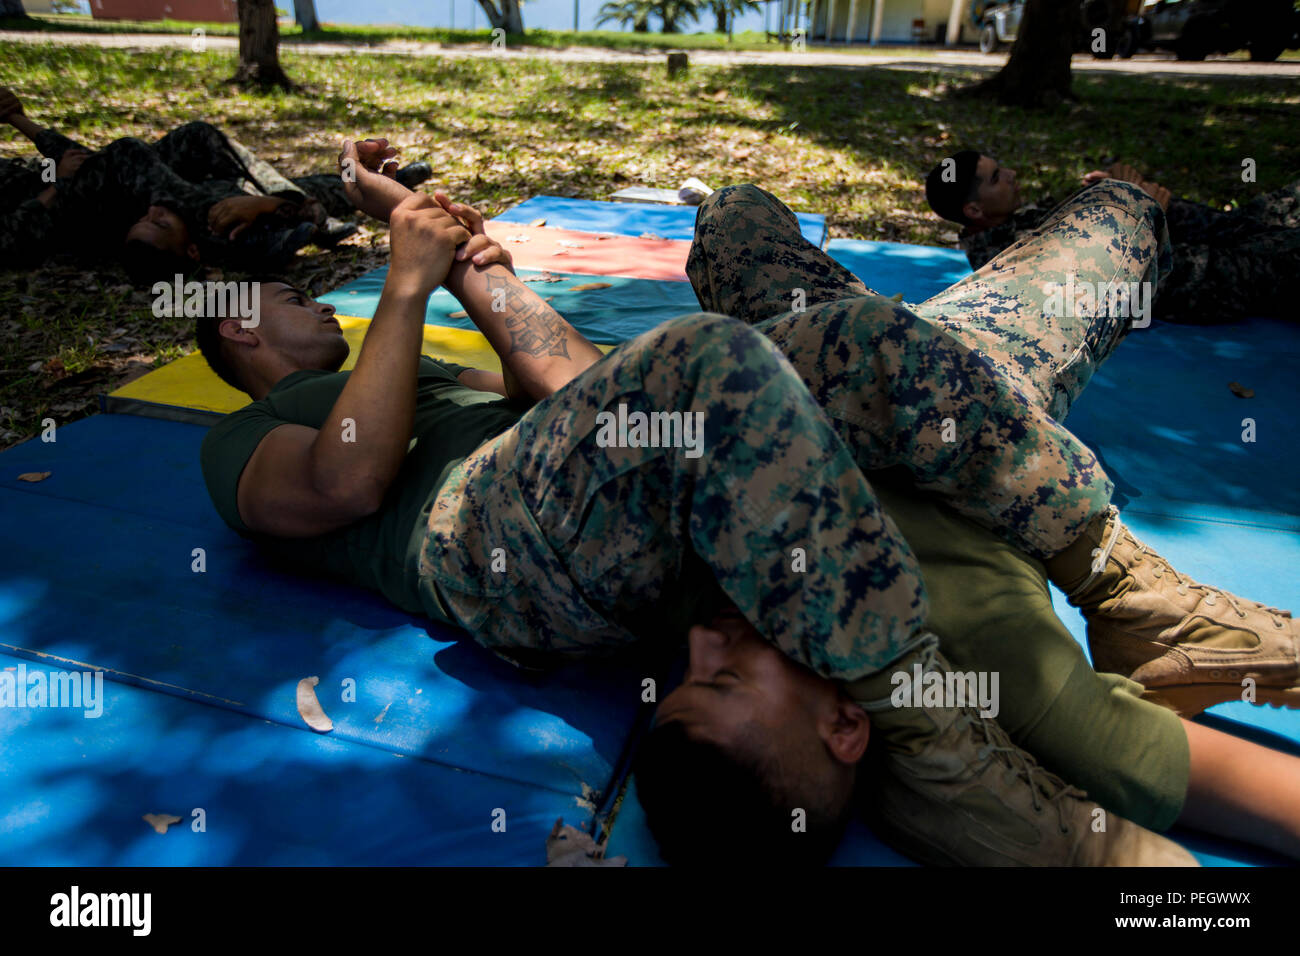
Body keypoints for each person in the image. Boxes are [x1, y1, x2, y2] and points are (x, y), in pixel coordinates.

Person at [194, 144, 1297, 865]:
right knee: (716, 359)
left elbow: (577, 386)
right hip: (486, 551)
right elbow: (348, 478)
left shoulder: (441, 384)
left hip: (741, 434)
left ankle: (1130, 589)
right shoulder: (246, 435)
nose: (709, 640)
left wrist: (462, 255)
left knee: (825, 324)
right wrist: (401, 281)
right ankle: (951, 758)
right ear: (240, 334)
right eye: (292, 296)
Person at [0, 88, 430, 279]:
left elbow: (81, 163)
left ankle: (297, 201)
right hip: (81, 219)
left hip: (97, 190)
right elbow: (15, 240)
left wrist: (20, 120)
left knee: (196, 141)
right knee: (145, 160)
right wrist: (55, 185)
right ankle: (280, 220)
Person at [924, 149, 1300, 324]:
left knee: (1277, 212)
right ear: (974, 210)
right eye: (995, 178)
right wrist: (1139, 207)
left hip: (1212, 238)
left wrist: (1103, 189)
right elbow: (1099, 268)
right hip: (1210, 276)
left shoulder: (1001, 223)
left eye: (999, 165)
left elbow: (1064, 218)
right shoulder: (1007, 255)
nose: (1009, 174)